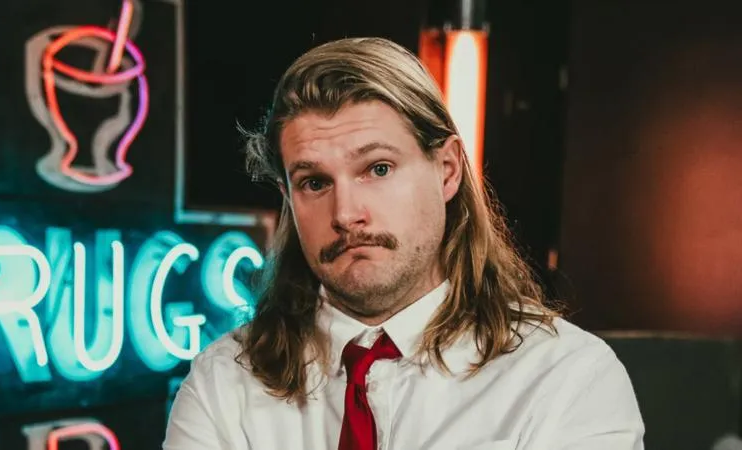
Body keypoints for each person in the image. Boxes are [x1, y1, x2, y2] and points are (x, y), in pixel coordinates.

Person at [163, 37, 645, 450]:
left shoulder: (565, 379)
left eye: (378, 169)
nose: (346, 213)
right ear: (289, 199)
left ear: (448, 170)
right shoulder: (223, 383)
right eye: (314, 182)